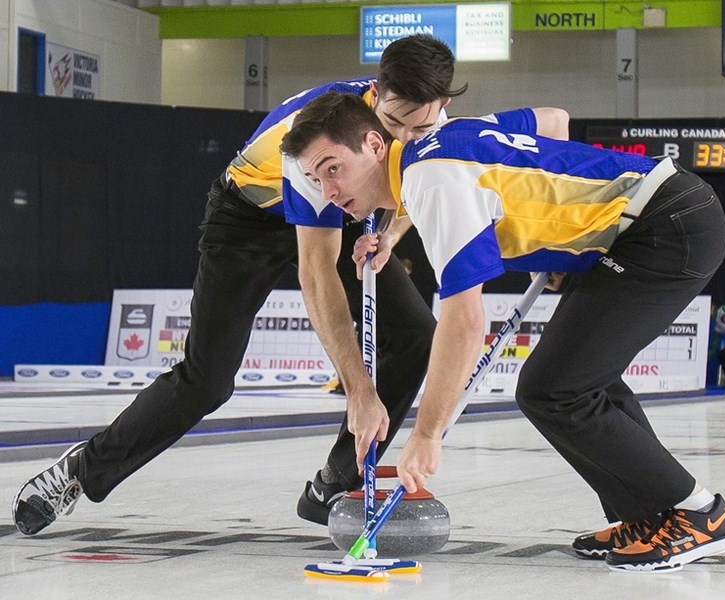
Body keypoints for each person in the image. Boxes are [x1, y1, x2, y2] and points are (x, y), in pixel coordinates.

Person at [279, 91, 725, 572]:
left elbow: (464, 322)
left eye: (333, 168)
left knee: (554, 390)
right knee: (584, 379)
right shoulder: (426, 160)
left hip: (665, 226)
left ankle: (703, 514)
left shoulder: (429, 181)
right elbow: (543, 134)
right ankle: (651, 516)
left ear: (376, 145)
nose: (328, 192)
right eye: (316, 179)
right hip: (646, 222)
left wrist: (427, 433)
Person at [11, 35, 456, 535]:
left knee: (417, 334)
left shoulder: (424, 118)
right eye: (394, 122)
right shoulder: (319, 138)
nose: (405, 133)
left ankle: (334, 483)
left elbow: (410, 180)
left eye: (421, 124)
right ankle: (80, 471)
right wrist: (357, 390)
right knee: (207, 380)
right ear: (375, 93)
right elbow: (316, 272)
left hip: (345, 205)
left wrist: (391, 234)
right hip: (249, 216)